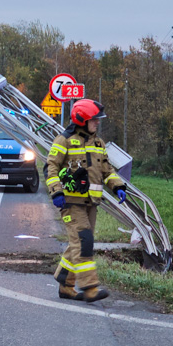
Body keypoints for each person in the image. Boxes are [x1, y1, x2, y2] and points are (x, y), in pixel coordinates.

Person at [46, 99, 127, 303]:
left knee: (79, 242)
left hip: (91, 203)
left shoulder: (98, 143)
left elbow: (107, 170)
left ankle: (65, 283)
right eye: (94, 120)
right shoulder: (63, 140)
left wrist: (117, 186)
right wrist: (57, 192)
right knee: (83, 242)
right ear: (82, 119)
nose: (97, 123)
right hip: (70, 203)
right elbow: (51, 168)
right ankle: (90, 287)